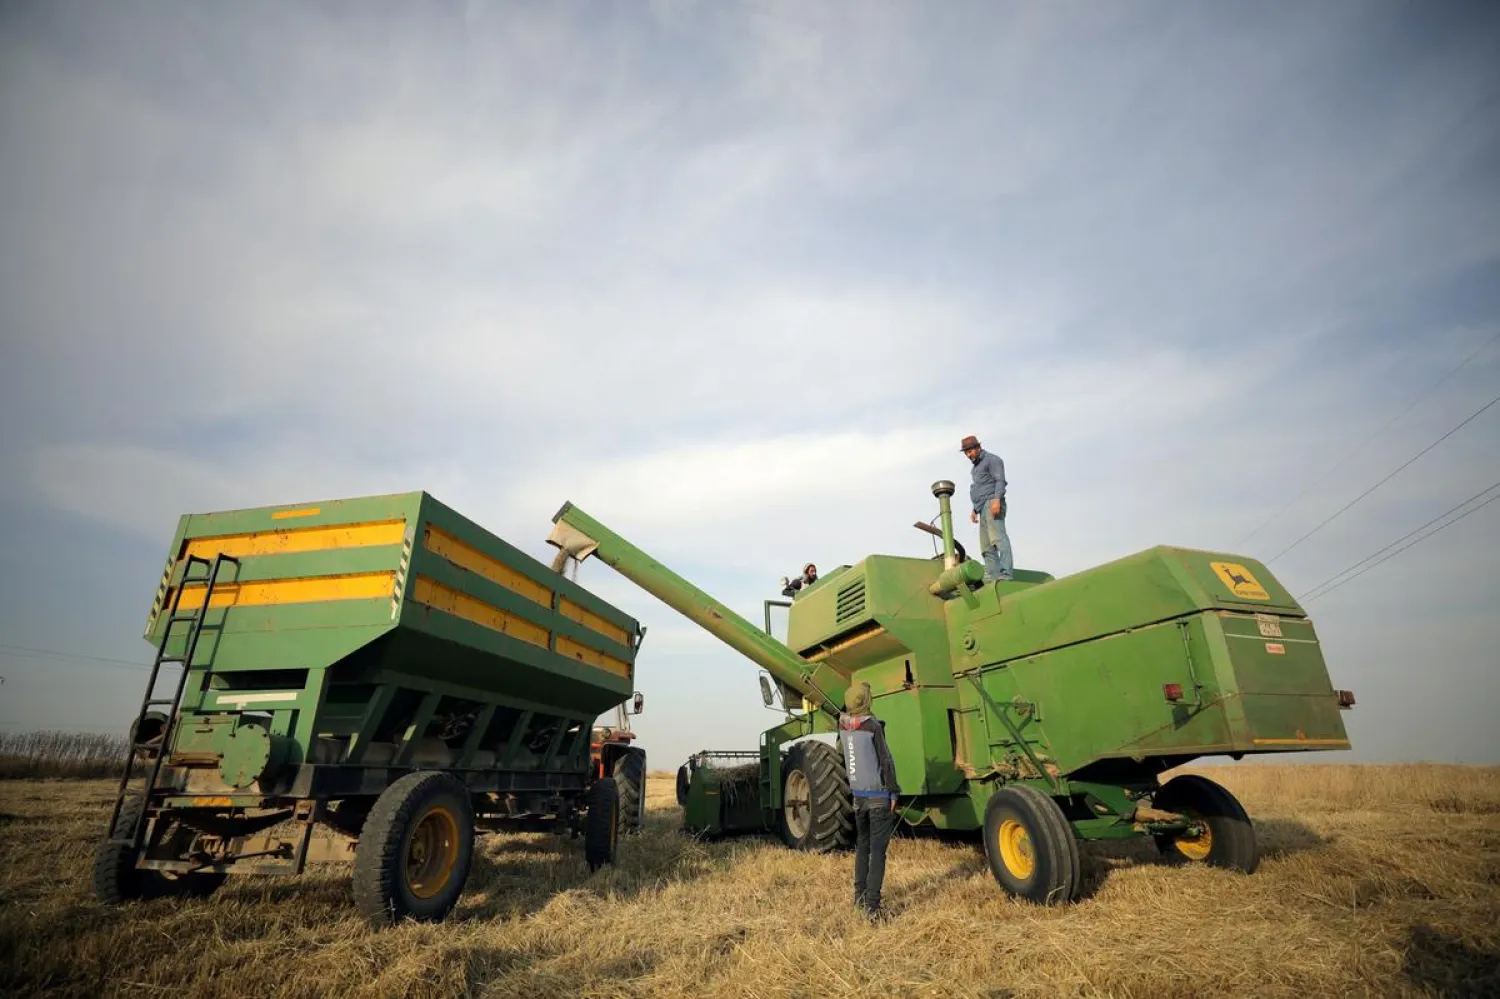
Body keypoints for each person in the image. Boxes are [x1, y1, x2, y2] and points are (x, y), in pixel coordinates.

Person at [837, 681, 900, 920]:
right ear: (866, 701)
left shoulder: (843, 726)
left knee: (862, 848)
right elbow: (886, 762)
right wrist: (893, 792)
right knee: (878, 852)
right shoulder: (873, 726)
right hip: (877, 797)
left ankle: (859, 899)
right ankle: (873, 907)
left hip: (858, 799)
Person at [960, 434, 1013, 581]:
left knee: (998, 538)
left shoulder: (992, 460)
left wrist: (996, 499)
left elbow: (1000, 480)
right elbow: (979, 487)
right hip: (982, 507)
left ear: (978, 447)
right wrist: (974, 509)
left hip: (992, 502)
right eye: (966, 452)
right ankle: (993, 575)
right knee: (986, 546)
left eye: (969, 451)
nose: (968, 455)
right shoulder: (976, 468)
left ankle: (1006, 573)